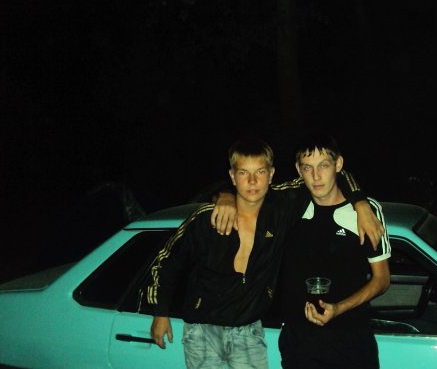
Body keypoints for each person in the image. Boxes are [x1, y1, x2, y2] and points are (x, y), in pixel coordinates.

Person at [147, 137, 383, 368]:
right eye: (243, 173)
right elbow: (166, 261)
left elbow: (334, 172)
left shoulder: (282, 209)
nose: (252, 181)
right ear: (232, 177)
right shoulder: (206, 219)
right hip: (202, 330)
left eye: (260, 172)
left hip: (249, 330)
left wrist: (360, 203)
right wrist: (160, 312)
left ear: (271, 175)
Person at [278, 133, 391, 369]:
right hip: (299, 346)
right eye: (307, 168)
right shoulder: (290, 206)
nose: (316, 176)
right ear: (298, 170)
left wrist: (339, 308)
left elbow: (382, 280)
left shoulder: (365, 213)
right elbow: (250, 188)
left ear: (338, 164)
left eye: (324, 166)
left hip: (351, 345)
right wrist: (225, 196)